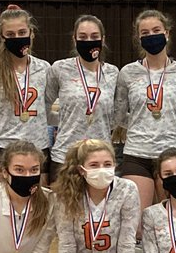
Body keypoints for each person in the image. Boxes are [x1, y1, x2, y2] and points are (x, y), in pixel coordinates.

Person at [114, 10, 176, 218]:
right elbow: (119, 114)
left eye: (156, 30)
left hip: (172, 153)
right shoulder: (128, 73)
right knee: (137, 223)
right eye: (145, 32)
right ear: (139, 38)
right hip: (137, 153)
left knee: (172, 219)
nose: (151, 35)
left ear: (167, 33)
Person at [0, 5, 51, 184]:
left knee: (38, 210)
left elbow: (47, 106)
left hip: (38, 146)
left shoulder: (45, 68)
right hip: (3, 147)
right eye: (11, 34)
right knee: (2, 208)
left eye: (22, 32)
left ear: (31, 33)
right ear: (2, 36)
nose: (17, 38)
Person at [45, 15, 120, 184]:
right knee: (62, 210)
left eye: (94, 37)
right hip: (65, 155)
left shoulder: (113, 73)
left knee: (97, 210)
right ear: (74, 39)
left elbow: (116, 114)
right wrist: (63, 120)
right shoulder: (60, 68)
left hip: (100, 157)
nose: (89, 41)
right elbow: (44, 106)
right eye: (83, 37)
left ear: (102, 40)